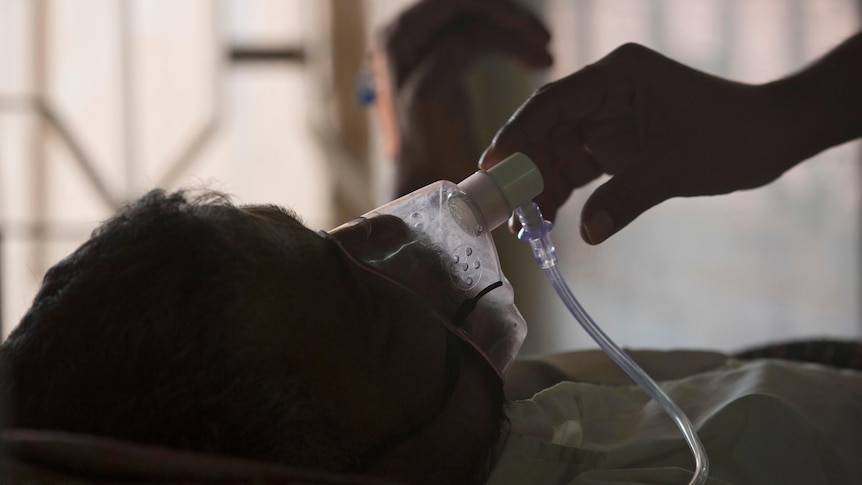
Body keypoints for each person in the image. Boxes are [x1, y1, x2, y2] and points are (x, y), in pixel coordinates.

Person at [2, 2, 861, 485]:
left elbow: (347, 368)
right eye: (357, 305)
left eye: (327, 236)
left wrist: (415, 137)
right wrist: (789, 117)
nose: (388, 232)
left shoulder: (472, 424)